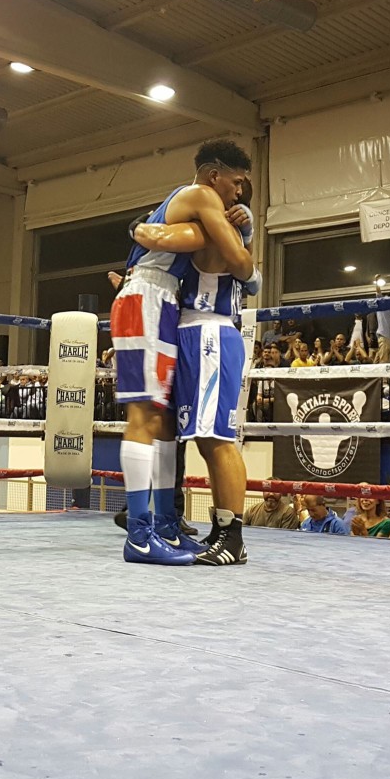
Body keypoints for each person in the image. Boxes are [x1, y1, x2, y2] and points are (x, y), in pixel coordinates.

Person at [111, 139, 258, 566]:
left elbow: (178, 238)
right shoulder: (201, 195)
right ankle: (140, 535)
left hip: (163, 303)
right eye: (236, 182)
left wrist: (143, 231)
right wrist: (239, 234)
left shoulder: (190, 204)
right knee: (146, 417)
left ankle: (166, 527)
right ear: (215, 176)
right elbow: (240, 263)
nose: (238, 193)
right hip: (151, 298)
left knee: (163, 423)